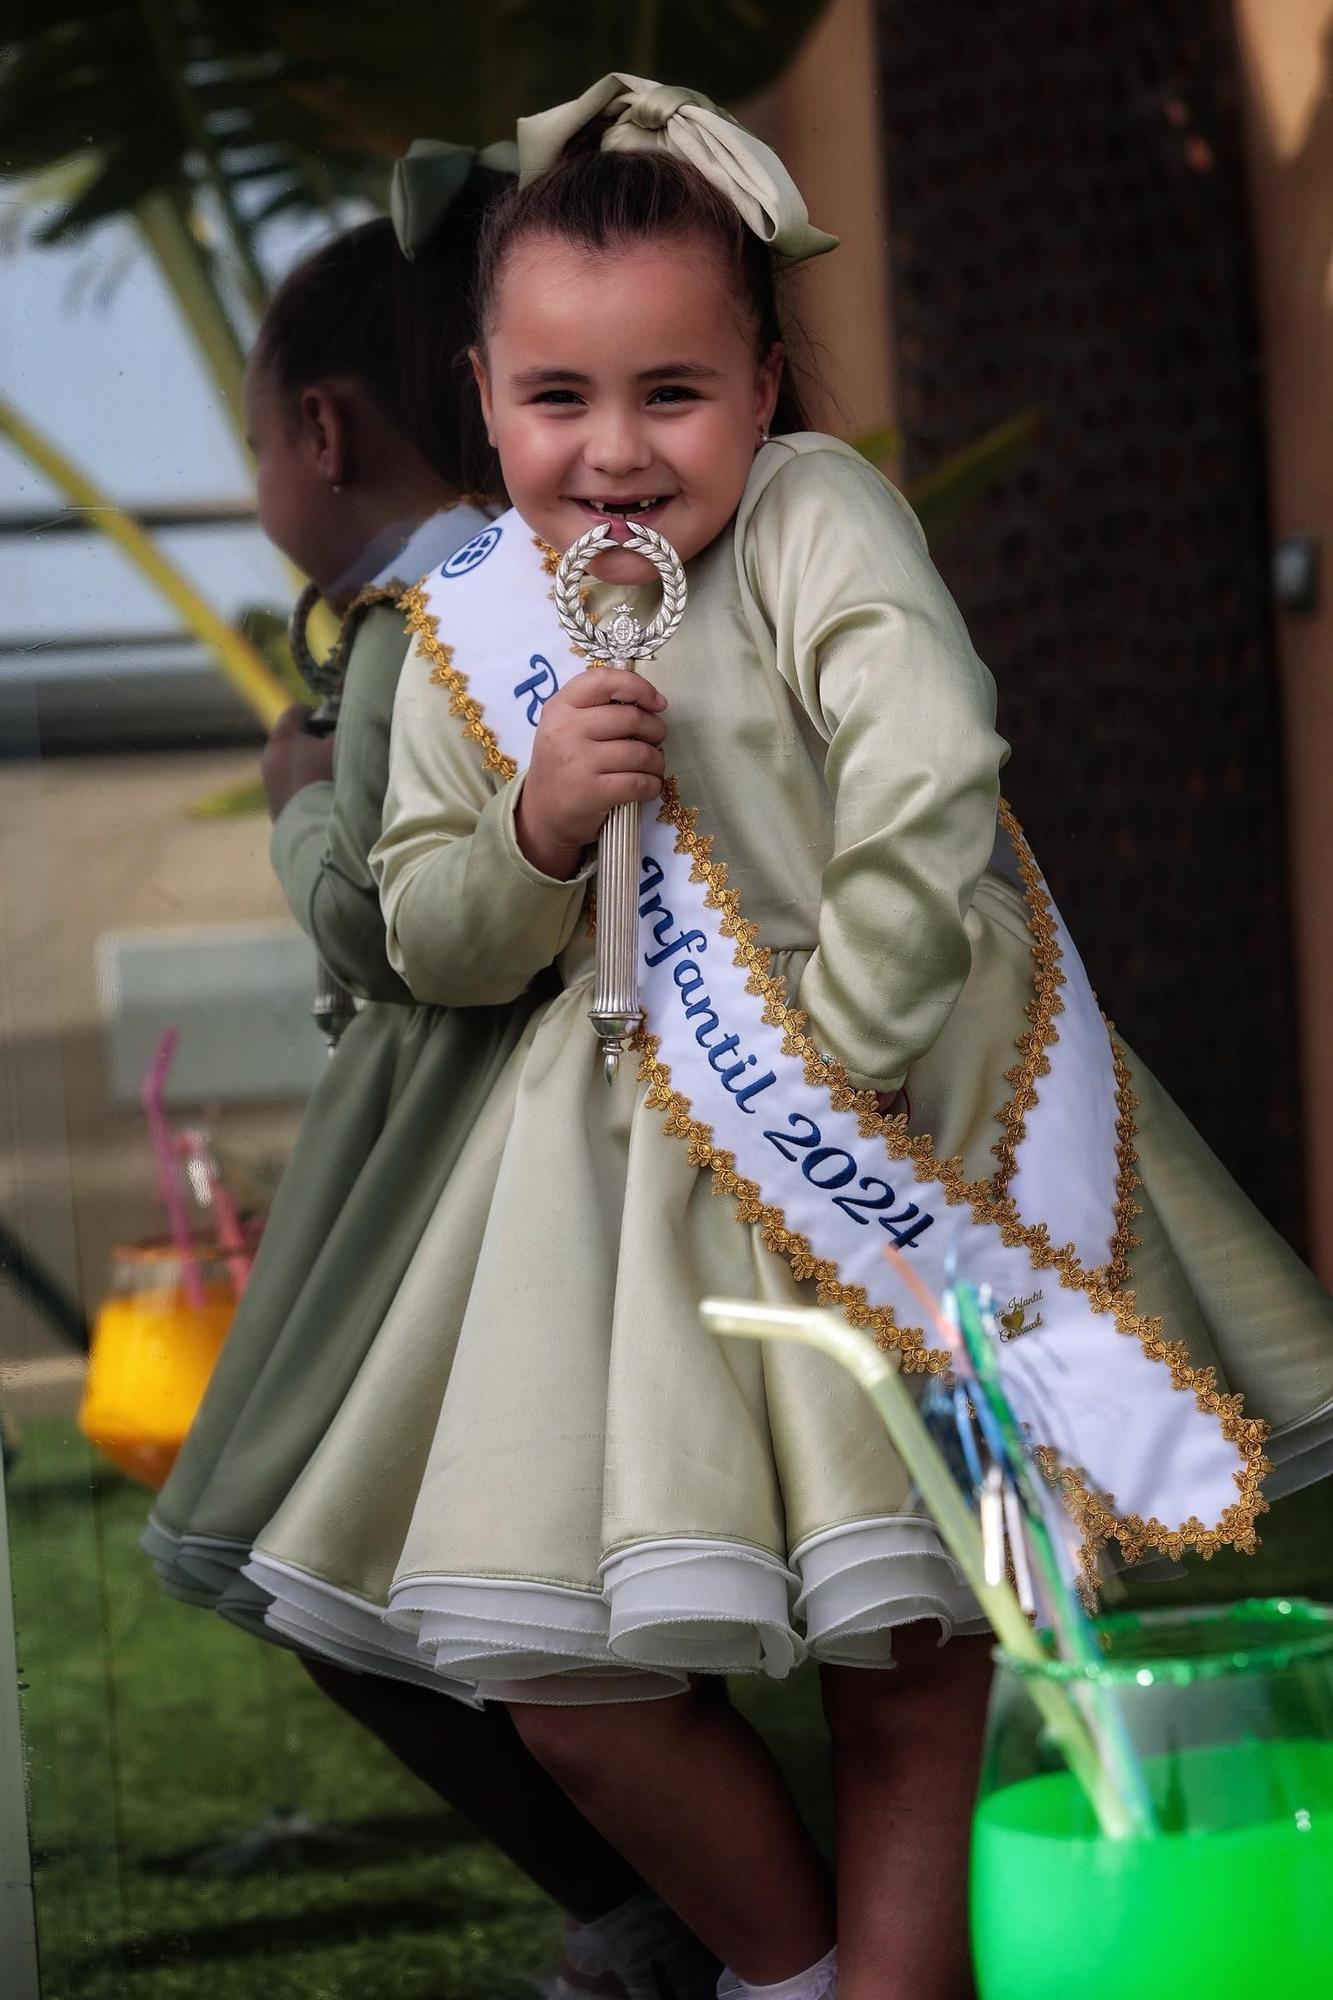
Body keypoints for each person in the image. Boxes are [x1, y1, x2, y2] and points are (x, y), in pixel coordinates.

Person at [239, 78, 1333, 2000]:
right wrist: (536, 826)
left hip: (897, 1116)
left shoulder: (822, 516)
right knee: (561, 1672)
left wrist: (837, 1036)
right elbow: (428, 928)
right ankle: (791, 1965)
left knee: (918, 1651)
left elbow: (927, 770)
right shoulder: (468, 619)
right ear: (484, 403)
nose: (617, 453)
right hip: (608, 1189)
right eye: (557, 401)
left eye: (675, 393)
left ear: (761, 386)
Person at [143, 146, 720, 2000]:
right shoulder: (602, 580)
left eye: (251, 453)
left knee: (323, 1547)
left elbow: (385, 931)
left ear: (320, 429)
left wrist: (301, 815)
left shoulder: (417, 629)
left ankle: (675, 1917)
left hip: (455, 1189)